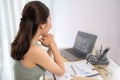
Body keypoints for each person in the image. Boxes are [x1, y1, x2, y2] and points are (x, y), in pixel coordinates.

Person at [11, 1, 65, 80]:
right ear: (42, 24)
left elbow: (44, 61)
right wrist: (53, 44)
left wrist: (50, 45)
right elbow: (61, 71)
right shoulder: (35, 49)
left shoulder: (26, 42)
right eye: (50, 19)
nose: (51, 24)